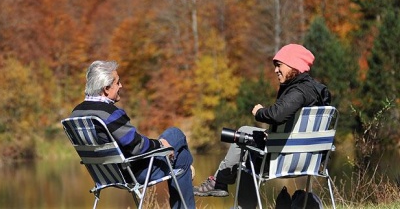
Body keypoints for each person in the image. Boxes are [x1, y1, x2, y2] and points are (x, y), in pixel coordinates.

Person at [193, 44, 331, 201]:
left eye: (279, 65)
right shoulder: (317, 93)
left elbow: (277, 115)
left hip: (285, 161)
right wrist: (274, 134)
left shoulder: (299, 91)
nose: (275, 70)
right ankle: (219, 182)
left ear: (294, 65)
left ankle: (220, 183)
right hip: (311, 160)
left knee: (246, 153)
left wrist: (259, 112)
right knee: (247, 139)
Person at [70, 60, 196, 209]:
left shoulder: (76, 113)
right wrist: (160, 144)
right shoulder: (108, 113)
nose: (121, 86)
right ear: (106, 89)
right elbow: (137, 147)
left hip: (106, 175)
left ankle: (185, 167)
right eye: (118, 83)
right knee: (177, 139)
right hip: (133, 172)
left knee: (181, 157)